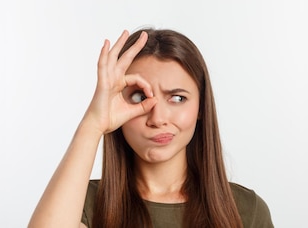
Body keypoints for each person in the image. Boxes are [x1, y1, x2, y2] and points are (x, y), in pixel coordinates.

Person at [28, 28, 273, 228]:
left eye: (177, 98)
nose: (158, 118)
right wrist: (93, 123)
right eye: (138, 98)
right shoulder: (83, 205)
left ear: (201, 107)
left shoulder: (246, 211)